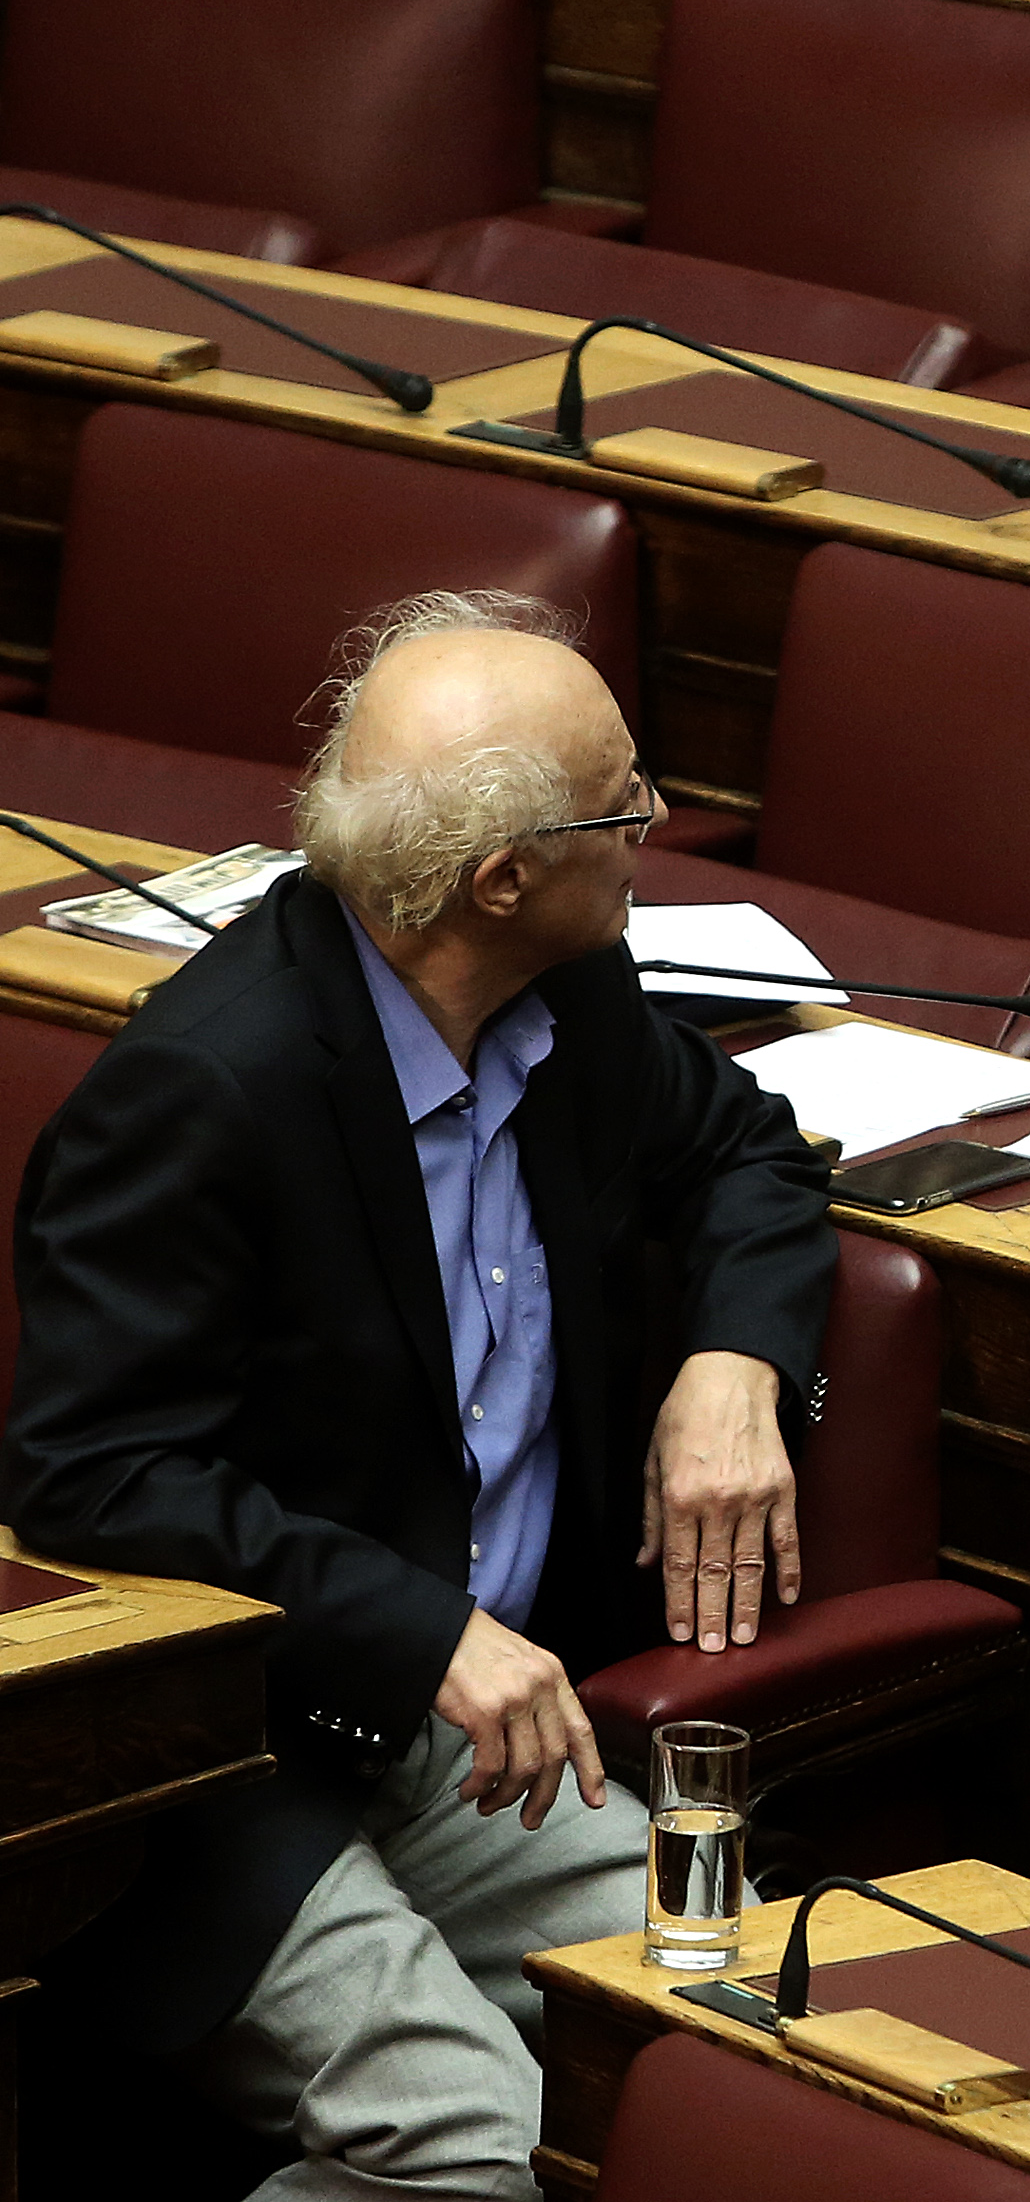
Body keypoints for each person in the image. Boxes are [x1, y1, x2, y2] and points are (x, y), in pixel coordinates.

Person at [4, 591, 833, 2199]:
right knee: (468, 2139)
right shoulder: (208, 1088)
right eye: (623, 801)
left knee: (750, 2025)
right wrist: (422, 1632)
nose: (658, 823)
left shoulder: (567, 991)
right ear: (499, 877)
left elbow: (751, 1152)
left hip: (467, 1742)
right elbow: (92, 1474)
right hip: (212, 1758)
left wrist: (733, 1363)